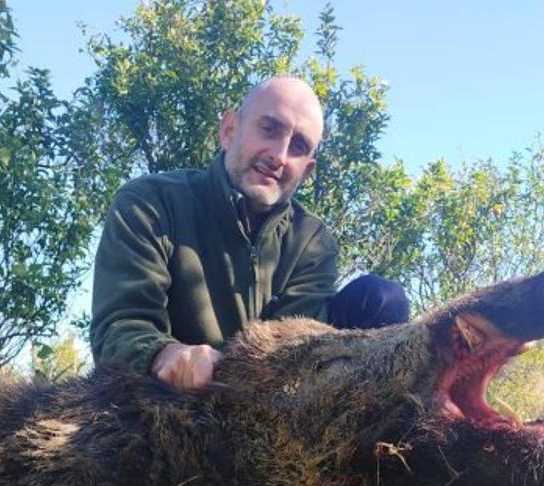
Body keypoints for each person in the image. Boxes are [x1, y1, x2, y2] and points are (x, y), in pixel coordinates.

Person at [90, 75, 409, 390]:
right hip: (166, 407)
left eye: (298, 146)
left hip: (264, 405)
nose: (279, 156)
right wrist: (164, 355)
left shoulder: (312, 239)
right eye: (269, 129)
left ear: (307, 171)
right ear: (229, 130)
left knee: (382, 299)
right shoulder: (151, 203)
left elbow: (299, 341)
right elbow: (120, 326)